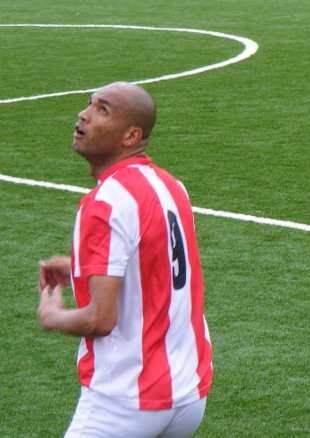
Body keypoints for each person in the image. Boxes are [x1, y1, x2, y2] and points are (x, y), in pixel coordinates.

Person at [36, 82, 213, 437]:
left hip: (125, 401)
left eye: (103, 110)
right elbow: (159, 270)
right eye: (89, 104)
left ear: (131, 136)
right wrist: (80, 271)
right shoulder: (172, 187)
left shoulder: (105, 202)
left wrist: (52, 316)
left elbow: (99, 320)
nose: (83, 115)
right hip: (188, 395)